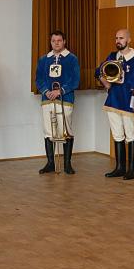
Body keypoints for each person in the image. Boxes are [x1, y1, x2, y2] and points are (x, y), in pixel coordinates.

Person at [95, 29, 134, 180]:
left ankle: (132, 170)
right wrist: (105, 82)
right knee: (117, 135)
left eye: (121, 38)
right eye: (116, 38)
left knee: (131, 135)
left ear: (129, 40)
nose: (118, 41)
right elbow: (99, 71)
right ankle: (120, 167)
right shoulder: (112, 56)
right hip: (113, 100)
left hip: (128, 101)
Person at [35, 30, 80, 174]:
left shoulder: (72, 58)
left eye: (59, 40)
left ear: (64, 41)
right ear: (50, 42)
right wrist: (46, 91)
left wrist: (60, 91)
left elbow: (75, 80)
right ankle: (50, 163)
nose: (56, 43)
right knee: (49, 130)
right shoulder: (44, 59)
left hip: (65, 100)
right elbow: (39, 79)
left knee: (65, 130)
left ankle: (67, 164)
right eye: (53, 41)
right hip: (47, 100)